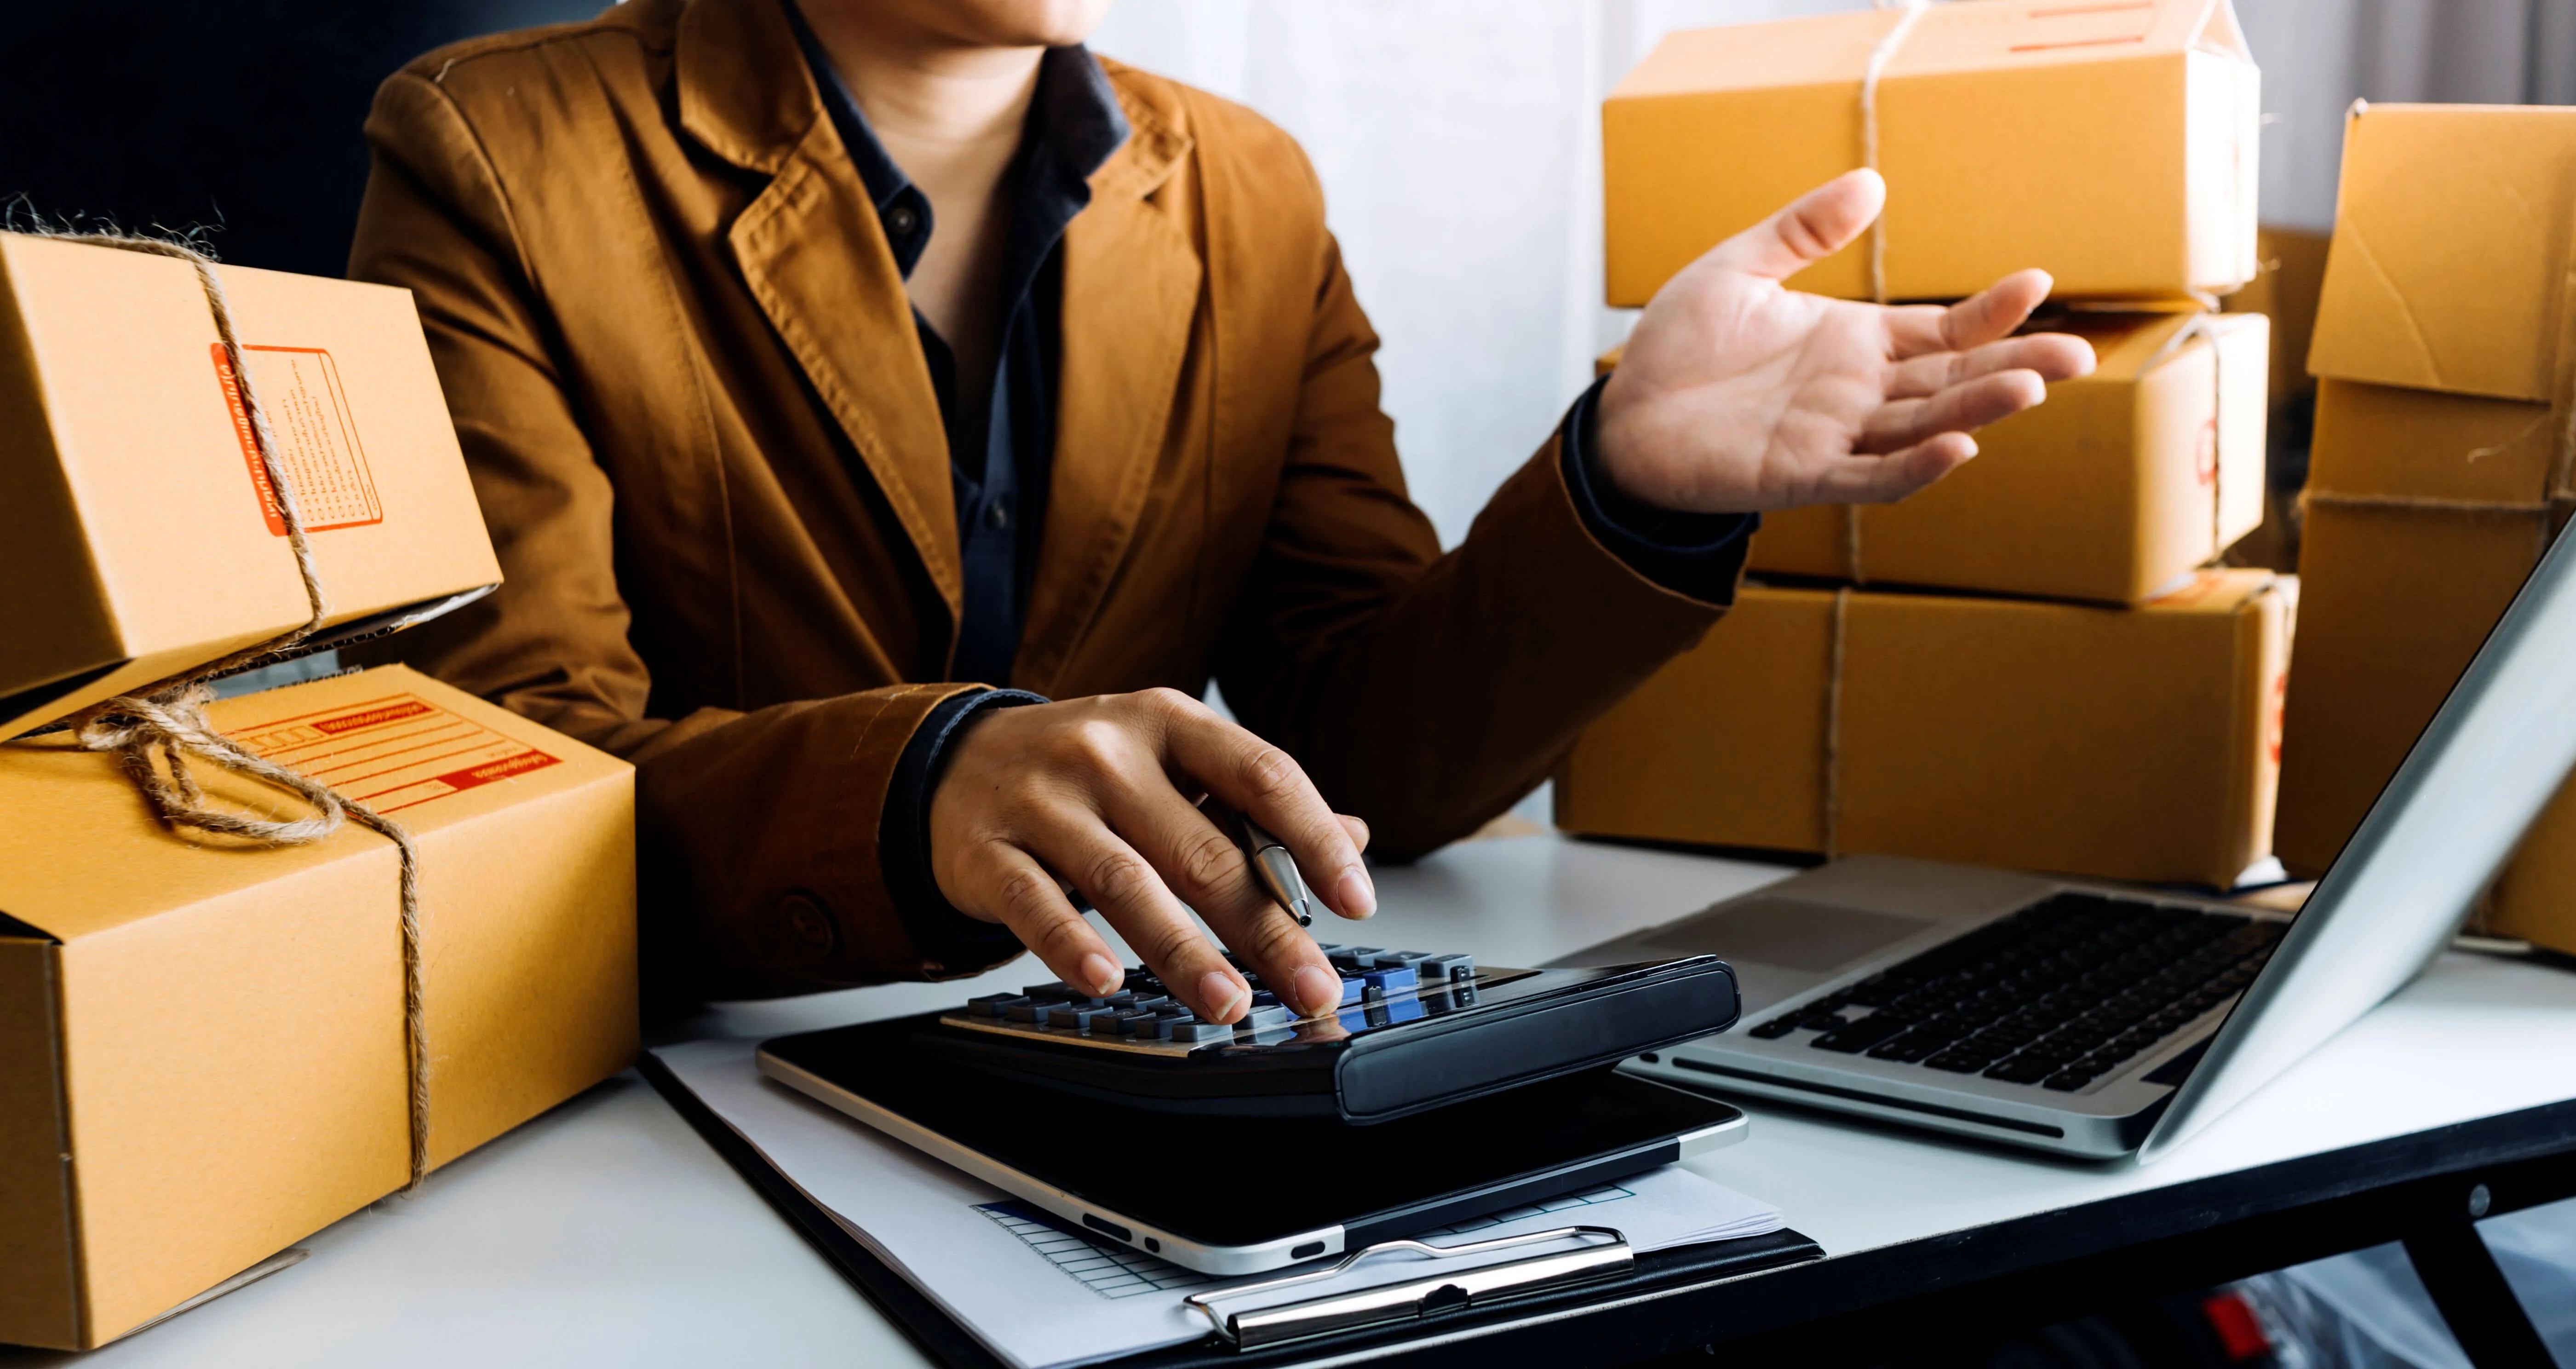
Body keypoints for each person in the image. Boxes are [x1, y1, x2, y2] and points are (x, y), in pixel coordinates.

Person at [348, 0, 2094, 1021]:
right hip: (683, 1098)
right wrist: (925, 784)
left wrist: (1623, 488)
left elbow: (1373, 757)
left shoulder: (1247, 185)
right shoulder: (501, 146)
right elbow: (508, 781)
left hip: (1143, 1058)